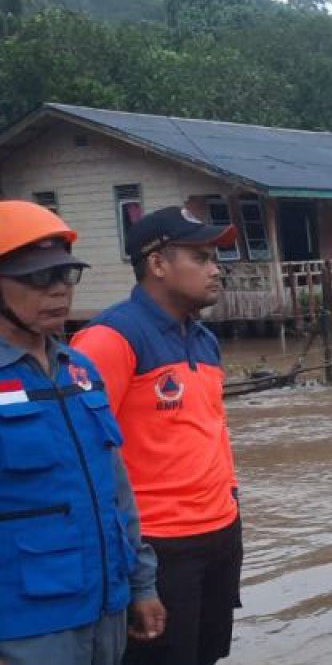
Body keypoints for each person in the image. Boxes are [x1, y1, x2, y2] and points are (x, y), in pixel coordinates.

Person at [72, 207, 242, 665]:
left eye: (214, 259)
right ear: (158, 264)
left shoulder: (203, 339)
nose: (215, 270)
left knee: (207, 654)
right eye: (201, 258)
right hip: (158, 545)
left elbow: (212, 431)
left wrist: (232, 501)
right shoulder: (111, 339)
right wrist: (131, 569)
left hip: (220, 531)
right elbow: (84, 455)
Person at [0, 200, 163, 665]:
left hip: (104, 608)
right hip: (25, 625)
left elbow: (116, 491)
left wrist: (142, 585)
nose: (58, 290)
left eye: (65, 274)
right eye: (37, 277)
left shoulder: (81, 371)